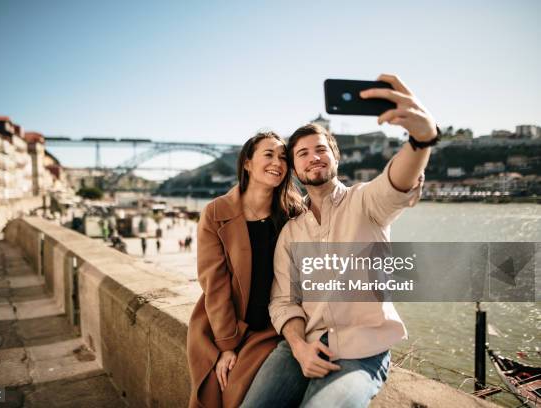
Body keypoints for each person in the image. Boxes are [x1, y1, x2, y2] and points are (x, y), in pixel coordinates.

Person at [242, 74, 438, 407]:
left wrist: (421, 139)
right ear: (295, 169)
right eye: (302, 153)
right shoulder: (291, 231)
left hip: (361, 352)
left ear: (336, 158)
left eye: (321, 150)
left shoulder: (366, 203)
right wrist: (299, 346)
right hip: (298, 345)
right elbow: (283, 301)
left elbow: (396, 182)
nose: (313, 157)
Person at [187, 131, 305, 408]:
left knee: (238, 395)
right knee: (216, 391)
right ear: (247, 163)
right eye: (268, 154)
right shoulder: (216, 212)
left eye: (283, 157)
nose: (278, 162)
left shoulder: (294, 213)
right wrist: (227, 346)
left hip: (269, 328)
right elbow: (214, 286)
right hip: (221, 326)